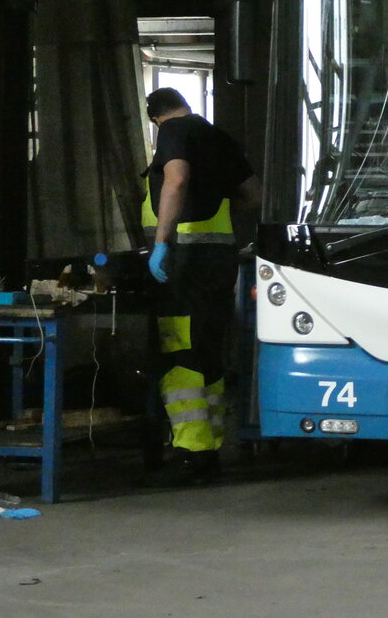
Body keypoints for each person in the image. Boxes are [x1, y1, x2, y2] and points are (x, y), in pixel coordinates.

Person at [141, 87, 260, 486]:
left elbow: (175, 181)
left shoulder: (174, 131)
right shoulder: (217, 136)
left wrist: (160, 244)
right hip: (219, 262)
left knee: (179, 352)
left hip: (183, 262)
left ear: (155, 116)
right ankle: (209, 447)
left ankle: (191, 452)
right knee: (209, 352)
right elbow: (250, 196)